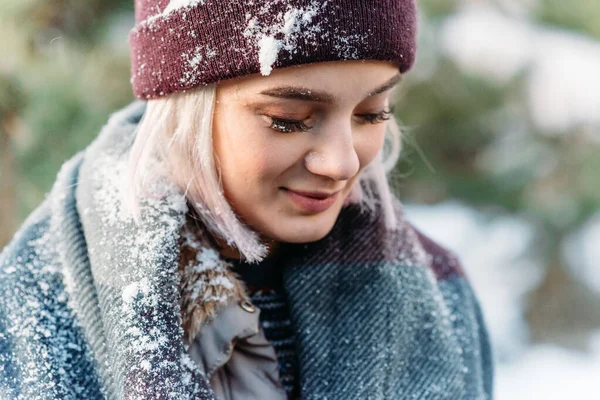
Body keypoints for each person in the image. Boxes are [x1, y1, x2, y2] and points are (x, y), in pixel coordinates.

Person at [0, 0, 494, 399]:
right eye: (289, 118)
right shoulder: (28, 308)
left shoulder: (438, 293)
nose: (342, 163)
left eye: (371, 113)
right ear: (184, 106)